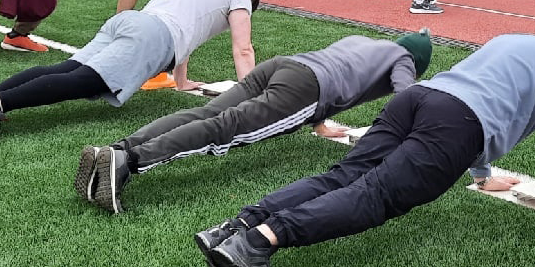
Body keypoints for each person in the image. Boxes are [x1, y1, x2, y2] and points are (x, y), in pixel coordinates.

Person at [194, 33, 535, 267]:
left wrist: (482, 175)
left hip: (418, 99)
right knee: (377, 194)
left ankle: (234, 227)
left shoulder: (514, 40)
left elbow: (481, 96)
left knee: (343, 176)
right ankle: (257, 242)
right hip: (454, 123)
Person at [76, 30, 434, 214]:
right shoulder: (404, 60)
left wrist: (319, 123)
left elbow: (341, 73)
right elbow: (407, 98)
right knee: (226, 128)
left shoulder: (365, 42)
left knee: (208, 113)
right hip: (303, 89)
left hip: (283, 65)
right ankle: (130, 162)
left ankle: (117, 148)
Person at [0, 0, 263, 143]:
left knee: (67, 69)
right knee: (84, 81)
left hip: (130, 21)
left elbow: (187, 34)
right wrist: (253, 101)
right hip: (152, 36)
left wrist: (181, 81)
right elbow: (243, 48)